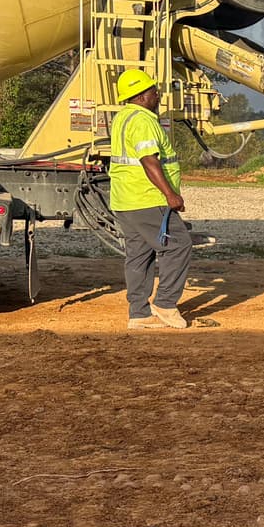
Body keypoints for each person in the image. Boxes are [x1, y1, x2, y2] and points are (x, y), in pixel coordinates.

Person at [108, 67, 194, 331]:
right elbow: (149, 160)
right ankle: (166, 304)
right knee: (179, 244)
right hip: (146, 198)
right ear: (142, 95)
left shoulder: (123, 117)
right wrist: (171, 195)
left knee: (139, 255)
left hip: (125, 201)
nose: (158, 95)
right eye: (154, 91)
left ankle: (139, 313)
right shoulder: (144, 120)